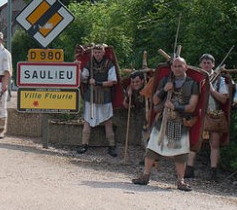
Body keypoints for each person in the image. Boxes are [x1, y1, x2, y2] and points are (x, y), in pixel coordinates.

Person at [132, 57, 198, 191]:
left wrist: (175, 107)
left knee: (181, 153)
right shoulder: (166, 81)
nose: (177, 68)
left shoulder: (192, 84)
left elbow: (192, 107)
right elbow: (155, 101)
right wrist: (165, 89)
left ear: (186, 67)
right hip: (163, 120)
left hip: (180, 121)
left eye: (180, 66)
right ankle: (145, 176)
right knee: (152, 149)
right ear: (172, 67)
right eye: (175, 66)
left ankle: (181, 181)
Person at [185, 53, 229, 181]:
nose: (206, 64)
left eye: (208, 63)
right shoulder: (194, 78)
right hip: (198, 114)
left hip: (213, 115)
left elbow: (223, 99)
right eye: (204, 63)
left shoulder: (219, 80)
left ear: (213, 64)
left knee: (214, 144)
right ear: (200, 64)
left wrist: (211, 89)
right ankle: (189, 169)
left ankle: (213, 172)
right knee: (194, 141)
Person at [76, 44, 119, 156]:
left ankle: (112, 146)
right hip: (90, 96)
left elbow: (112, 81)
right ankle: (84, 144)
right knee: (87, 120)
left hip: (105, 96)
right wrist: (78, 70)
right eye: (95, 52)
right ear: (93, 53)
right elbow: (84, 79)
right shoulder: (89, 64)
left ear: (103, 52)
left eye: (99, 52)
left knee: (108, 122)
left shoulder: (109, 64)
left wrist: (97, 83)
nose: (97, 54)